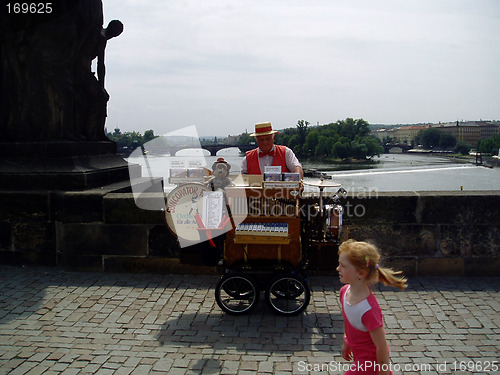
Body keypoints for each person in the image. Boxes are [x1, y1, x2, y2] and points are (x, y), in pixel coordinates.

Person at [337, 239, 407, 375]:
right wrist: (347, 342)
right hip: (359, 360)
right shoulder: (344, 292)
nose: (338, 268)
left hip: (371, 366)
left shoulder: (369, 311)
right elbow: (349, 323)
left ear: (361, 273)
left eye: (343, 266)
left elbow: (381, 348)